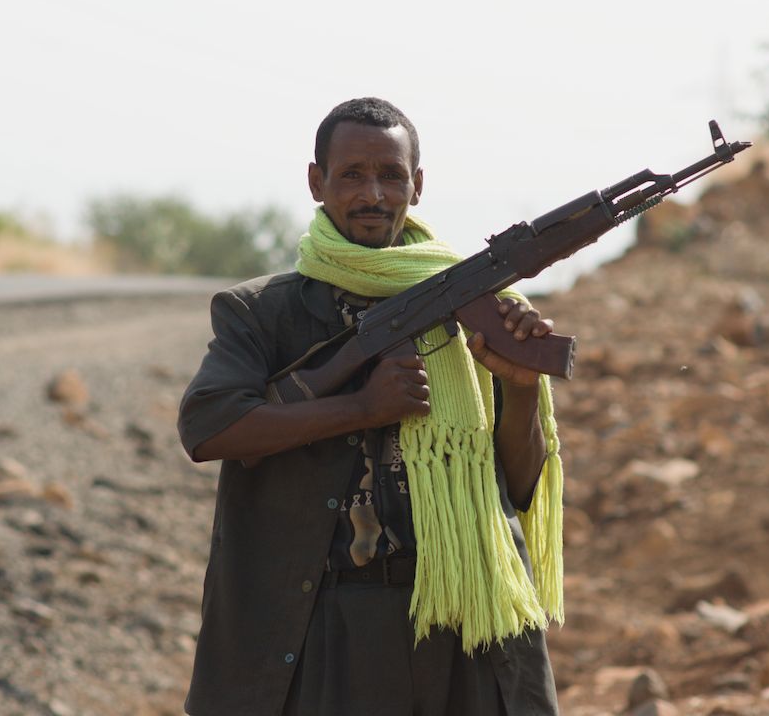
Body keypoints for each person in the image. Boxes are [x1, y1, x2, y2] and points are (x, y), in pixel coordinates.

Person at [178, 97, 564, 715]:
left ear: (417, 185)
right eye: (352, 174)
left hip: (465, 617)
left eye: (390, 175)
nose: (373, 194)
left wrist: (518, 385)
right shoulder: (263, 312)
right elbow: (208, 427)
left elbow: (516, 486)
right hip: (328, 623)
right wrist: (363, 407)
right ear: (316, 182)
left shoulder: (475, 301)